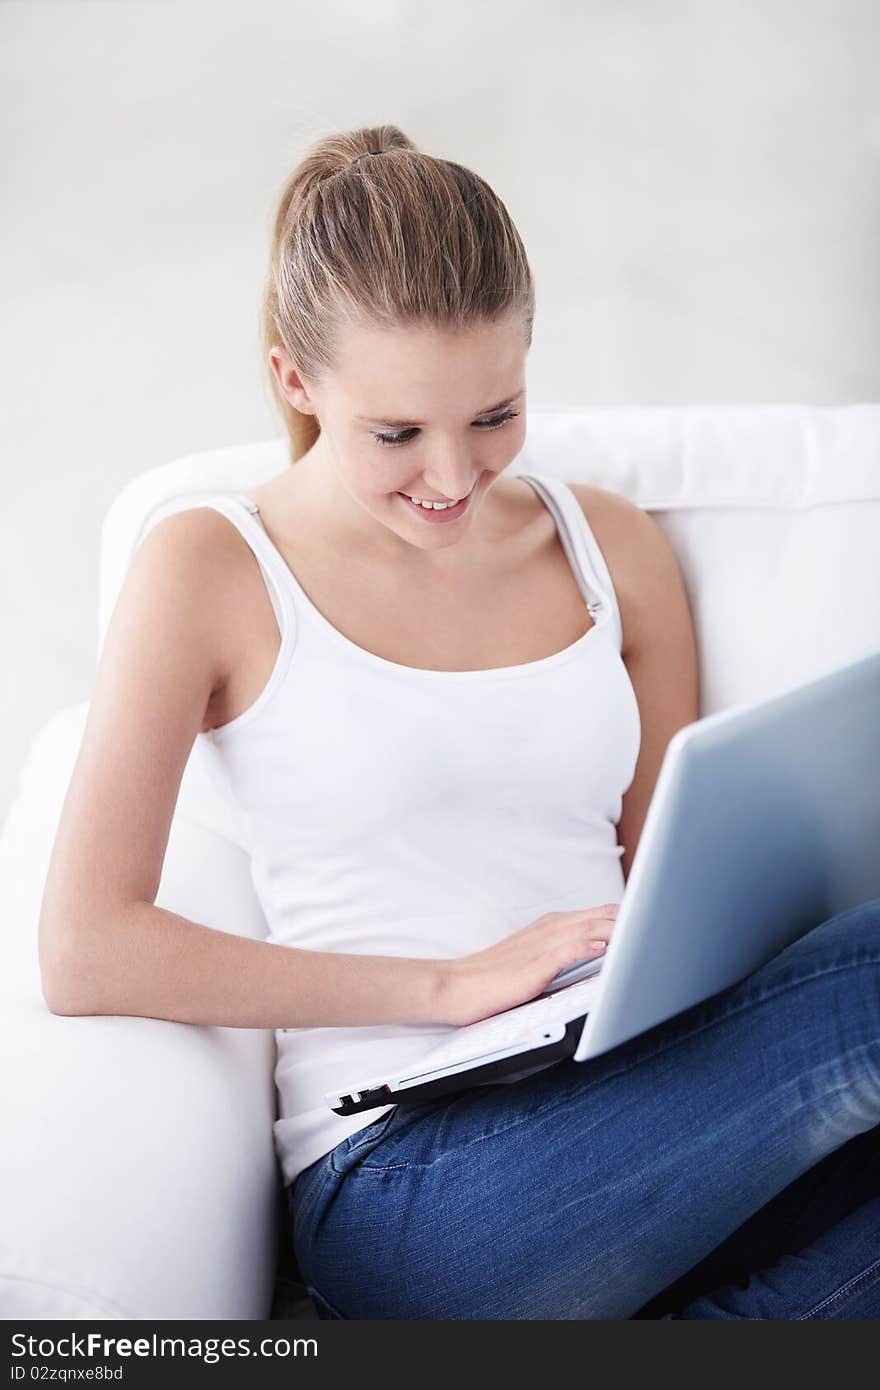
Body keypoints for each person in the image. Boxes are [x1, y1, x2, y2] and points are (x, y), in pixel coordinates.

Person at [39, 124, 880, 1320]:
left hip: (630, 1105)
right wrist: (448, 985)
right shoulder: (212, 566)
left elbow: (671, 891)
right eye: (396, 433)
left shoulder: (613, 551)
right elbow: (87, 949)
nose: (452, 472)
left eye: (494, 414)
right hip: (405, 1164)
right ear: (295, 381)